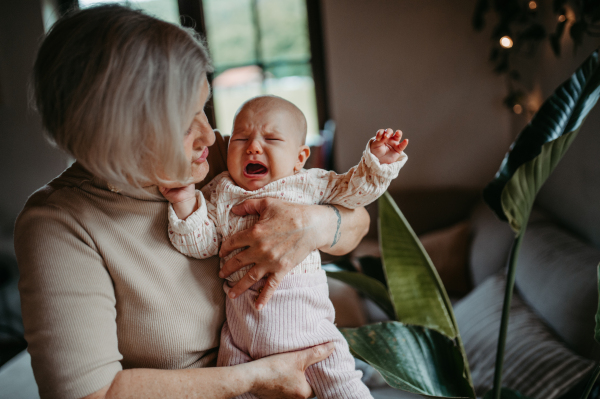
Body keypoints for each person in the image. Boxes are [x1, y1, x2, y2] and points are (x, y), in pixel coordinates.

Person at [14, 5, 371, 399]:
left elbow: (357, 222)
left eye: (204, 106)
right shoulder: (58, 224)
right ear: (119, 136)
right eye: (184, 124)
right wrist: (254, 377)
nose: (208, 132)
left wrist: (312, 226)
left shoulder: (216, 158)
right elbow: (88, 394)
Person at [161, 95, 408, 399]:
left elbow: (353, 194)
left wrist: (377, 162)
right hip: (241, 342)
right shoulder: (220, 191)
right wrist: (185, 201)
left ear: (299, 158)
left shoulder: (309, 183)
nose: (252, 146)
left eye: (272, 138)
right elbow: (201, 244)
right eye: (240, 138)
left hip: (312, 338)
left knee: (345, 390)